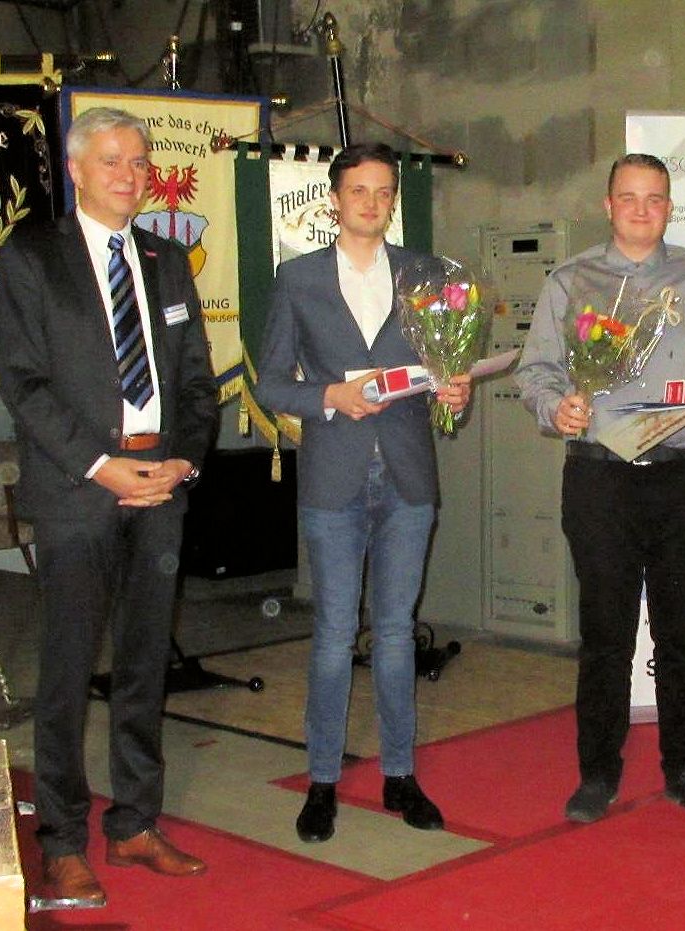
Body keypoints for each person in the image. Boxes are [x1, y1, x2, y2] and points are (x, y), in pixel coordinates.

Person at [0, 106, 218, 908]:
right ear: (76, 168)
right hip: (79, 490)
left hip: (160, 486)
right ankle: (61, 841)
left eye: (140, 161)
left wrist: (182, 460)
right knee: (66, 671)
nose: (131, 174)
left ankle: (134, 822)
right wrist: (102, 467)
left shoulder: (166, 259)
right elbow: (22, 382)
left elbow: (197, 380)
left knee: (144, 663)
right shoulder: (33, 256)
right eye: (113, 160)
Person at [515, 153, 685, 824]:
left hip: (683, 478)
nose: (642, 210)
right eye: (629, 198)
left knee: (683, 636)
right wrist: (556, 407)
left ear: (669, 208)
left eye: (654, 199)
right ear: (609, 205)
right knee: (605, 635)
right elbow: (536, 372)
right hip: (600, 478)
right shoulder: (571, 281)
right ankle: (598, 771)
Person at [254, 142, 472, 843]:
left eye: (383, 192)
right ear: (334, 200)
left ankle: (400, 775)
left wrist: (454, 391)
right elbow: (271, 382)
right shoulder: (298, 279)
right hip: (334, 477)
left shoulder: (426, 274)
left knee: (397, 632)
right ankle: (321, 782)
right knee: (332, 633)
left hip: (408, 474)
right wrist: (329, 396)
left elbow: (444, 370)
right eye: (359, 191)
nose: (372, 203)